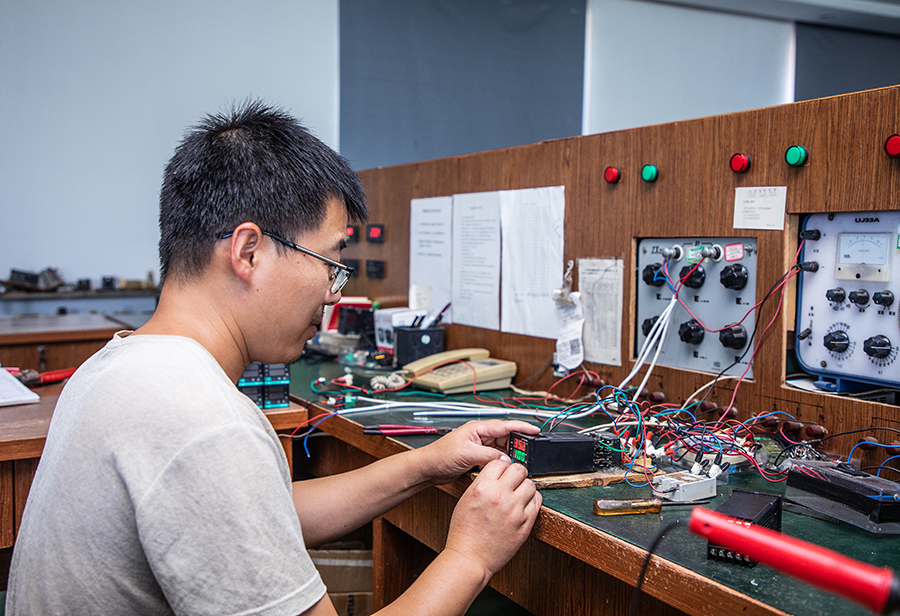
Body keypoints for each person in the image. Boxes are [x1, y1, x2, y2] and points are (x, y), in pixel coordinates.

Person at [5, 101, 542, 616]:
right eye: (330, 264)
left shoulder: (120, 365)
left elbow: (261, 516)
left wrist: (426, 464)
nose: (333, 294)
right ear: (249, 252)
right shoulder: (202, 421)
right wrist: (470, 557)